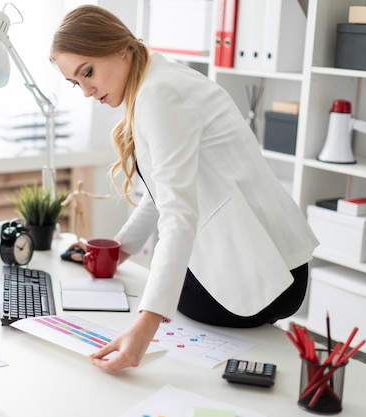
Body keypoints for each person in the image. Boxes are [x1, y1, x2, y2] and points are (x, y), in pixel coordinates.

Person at [49, 5, 319, 373]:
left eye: (88, 72)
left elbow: (176, 212)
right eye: (76, 82)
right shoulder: (155, 79)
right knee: (139, 287)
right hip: (277, 262)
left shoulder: (159, 94)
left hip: (263, 276)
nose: (86, 91)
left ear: (119, 48)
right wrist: (119, 251)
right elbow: (162, 189)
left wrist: (146, 326)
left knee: (136, 303)